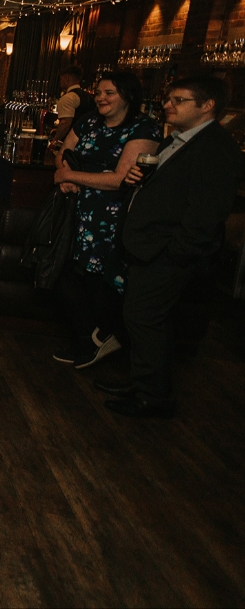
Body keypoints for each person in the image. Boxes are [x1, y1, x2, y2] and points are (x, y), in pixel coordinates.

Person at [97, 77, 243, 418]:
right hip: (148, 248)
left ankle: (153, 398)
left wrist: (172, 254)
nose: (168, 105)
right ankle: (141, 384)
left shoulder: (215, 148)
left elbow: (206, 215)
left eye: (179, 100)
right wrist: (137, 179)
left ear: (207, 106)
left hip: (168, 254)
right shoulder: (177, 140)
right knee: (140, 319)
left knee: (146, 319)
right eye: (168, 99)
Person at [48, 72, 161, 369]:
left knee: (100, 280)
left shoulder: (143, 128)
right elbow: (63, 153)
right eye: (98, 92)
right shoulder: (88, 121)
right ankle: (90, 339)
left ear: (128, 96)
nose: (101, 97)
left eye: (109, 93)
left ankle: (97, 342)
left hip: (111, 217)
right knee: (64, 273)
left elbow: (120, 179)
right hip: (75, 210)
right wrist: (65, 177)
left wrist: (71, 176)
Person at [50, 65, 95, 146]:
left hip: (70, 142)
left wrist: (54, 141)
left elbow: (65, 123)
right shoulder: (88, 96)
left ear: (67, 78)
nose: (60, 82)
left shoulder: (68, 98)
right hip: (85, 140)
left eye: (61, 79)